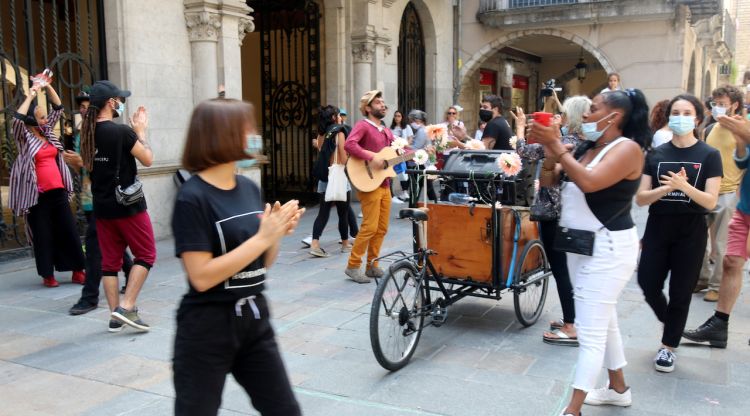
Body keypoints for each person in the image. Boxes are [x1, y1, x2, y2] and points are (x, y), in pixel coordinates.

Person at [172, 98, 303, 416]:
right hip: (207, 328)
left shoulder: (247, 187)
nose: (255, 134)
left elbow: (262, 263)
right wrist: (262, 237)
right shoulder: (192, 198)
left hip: (254, 319)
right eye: (248, 128)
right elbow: (201, 277)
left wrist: (276, 234)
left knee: (285, 410)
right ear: (223, 134)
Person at [531, 88, 650, 415]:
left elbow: (591, 182)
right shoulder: (587, 146)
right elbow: (551, 180)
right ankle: (618, 389)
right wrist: (550, 152)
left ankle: (573, 410)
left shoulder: (627, 149)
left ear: (614, 117)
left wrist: (557, 145)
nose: (585, 114)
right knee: (604, 322)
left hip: (608, 249)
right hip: (581, 246)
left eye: (593, 108)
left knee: (590, 333)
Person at [636, 94, 721, 373]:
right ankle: (672, 322)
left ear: (697, 118)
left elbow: (710, 201)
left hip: (691, 231)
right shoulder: (657, 155)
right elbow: (641, 198)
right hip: (658, 227)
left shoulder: (709, 155)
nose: (680, 117)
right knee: (647, 282)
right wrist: (667, 188)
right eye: (675, 112)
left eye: (686, 113)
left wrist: (684, 188)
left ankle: (668, 346)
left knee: (681, 291)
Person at [512, 96, 592, 347]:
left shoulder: (565, 143)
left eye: (564, 114)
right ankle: (575, 319)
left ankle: (571, 325)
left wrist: (523, 128)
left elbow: (525, 152)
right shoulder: (586, 144)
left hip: (556, 214)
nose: (561, 117)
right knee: (572, 270)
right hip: (572, 215)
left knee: (562, 270)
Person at [80, 80, 156, 332]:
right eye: (119, 99)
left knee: (109, 264)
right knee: (146, 254)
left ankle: (115, 317)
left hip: (102, 208)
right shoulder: (122, 132)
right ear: (111, 103)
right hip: (128, 207)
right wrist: (141, 132)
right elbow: (147, 159)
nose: (121, 103)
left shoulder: (87, 135)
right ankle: (126, 306)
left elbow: (90, 169)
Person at [683, 112, 750, 348]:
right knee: (731, 262)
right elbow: (743, 162)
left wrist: (746, 135)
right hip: (745, 208)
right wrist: (741, 142)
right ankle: (719, 326)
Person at [9, 80, 86, 288]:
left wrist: (46, 86)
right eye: (41, 116)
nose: (45, 119)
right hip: (37, 196)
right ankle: (48, 275)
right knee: (43, 235)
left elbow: (58, 107)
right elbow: (16, 119)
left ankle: (78, 271)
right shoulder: (23, 137)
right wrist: (31, 95)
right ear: (31, 119)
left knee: (68, 230)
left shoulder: (48, 132)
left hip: (58, 192)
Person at [66, 89, 133, 315]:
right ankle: (132, 271)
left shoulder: (110, 132)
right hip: (89, 196)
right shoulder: (83, 132)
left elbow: (106, 165)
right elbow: (86, 166)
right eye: (81, 107)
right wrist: (77, 163)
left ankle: (90, 296)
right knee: (110, 242)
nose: (83, 110)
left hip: (104, 199)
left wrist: (82, 162)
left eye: (87, 106)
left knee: (95, 248)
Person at [696, 86, 745, 301]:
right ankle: (701, 279)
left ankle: (716, 286)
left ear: (734, 105)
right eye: (715, 103)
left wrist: (739, 191)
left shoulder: (743, 129)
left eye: (723, 103)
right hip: (707, 191)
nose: (718, 108)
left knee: (722, 244)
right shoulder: (709, 129)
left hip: (730, 193)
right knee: (696, 238)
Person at [343, 90, 395, 283]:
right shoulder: (363, 126)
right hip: (368, 183)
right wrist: (372, 156)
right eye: (378, 103)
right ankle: (353, 265)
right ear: (367, 108)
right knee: (369, 226)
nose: (383, 105)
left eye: (383, 102)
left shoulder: (386, 130)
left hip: (385, 183)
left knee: (382, 228)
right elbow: (350, 145)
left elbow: (398, 150)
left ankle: (372, 265)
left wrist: (419, 152)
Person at [309, 105, 357, 257]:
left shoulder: (321, 135)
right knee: (343, 213)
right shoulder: (339, 132)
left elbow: (323, 152)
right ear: (333, 117)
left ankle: (315, 244)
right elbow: (342, 158)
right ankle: (345, 244)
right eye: (337, 115)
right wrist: (352, 156)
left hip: (325, 178)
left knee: (323, 213)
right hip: (338, 176)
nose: (339, 117)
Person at [407, 109, 437, 202]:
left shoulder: (421, 131)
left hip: (420, 163)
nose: (411, 123)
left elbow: (416, 147)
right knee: (427, 187)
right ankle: (435, 205)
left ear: (417, 120)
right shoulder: (424, 130)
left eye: (411, 121)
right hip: (424, 163)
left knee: (415, 188)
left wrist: (405, 145)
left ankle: (412, 209)